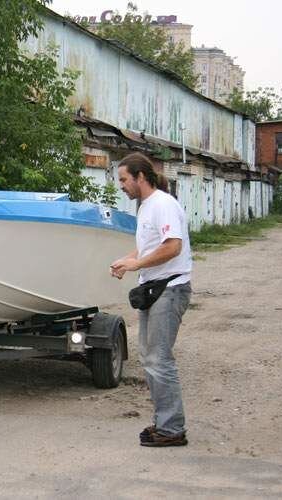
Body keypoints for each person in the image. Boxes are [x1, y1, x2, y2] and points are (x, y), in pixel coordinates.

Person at [110, 153, 192, 447]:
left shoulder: (163, 205)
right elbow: (148, 248)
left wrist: (137, 265)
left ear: (140, 177)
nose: (121, 185)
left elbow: (172, 247)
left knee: (159, 358)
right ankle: (164, 422)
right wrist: (126, 260)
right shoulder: (145, 207)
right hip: (154, 290)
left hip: (170, 289)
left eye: (123, 179)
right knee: (149, 356)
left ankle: (171, 429)